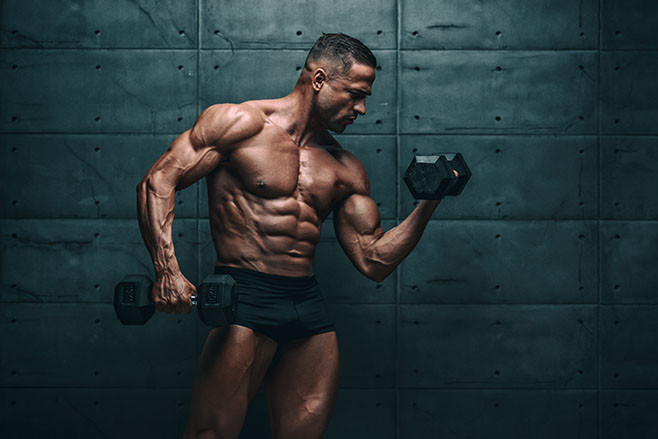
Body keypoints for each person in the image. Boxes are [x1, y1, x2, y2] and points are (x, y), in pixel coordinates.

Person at [137, 33, 443, 439]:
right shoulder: (239, 124)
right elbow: (158, 181)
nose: (362, 108)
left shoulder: (345, 167)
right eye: (354, 94)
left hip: (307, 308)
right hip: (244, 299)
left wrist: (429, 203)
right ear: (319, 79)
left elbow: (373, 261)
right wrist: (167, 270)